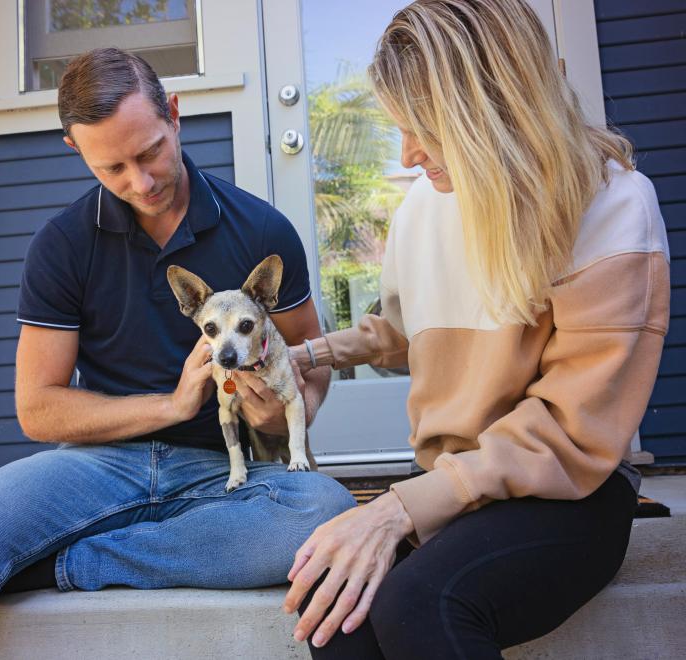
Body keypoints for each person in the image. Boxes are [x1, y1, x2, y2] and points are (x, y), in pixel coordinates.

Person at [0, 48, 354, 659]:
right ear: (75, 150)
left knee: (322, 510)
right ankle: (148, 540)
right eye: (112, 167)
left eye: (151, 150)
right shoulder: (61, 245)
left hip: (222, 475)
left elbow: (311, 362)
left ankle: (76, 561)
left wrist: (291, 409)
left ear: (176, 116)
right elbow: (39, 409)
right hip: (94, 466)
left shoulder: (262, 231)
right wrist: (171, 405)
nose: (142, 181)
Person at [283, 1, 670, 657]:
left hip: (567, 493)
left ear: (491, 110)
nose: (407, 154)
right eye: (400, 128)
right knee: (337, 610)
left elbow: (571, 425)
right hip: (455, 485)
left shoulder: (613, 207)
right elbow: (401, 334)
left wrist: (403, 506)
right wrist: (310, 353)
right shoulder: (420, 207)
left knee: (421, 600)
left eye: (424, 129)